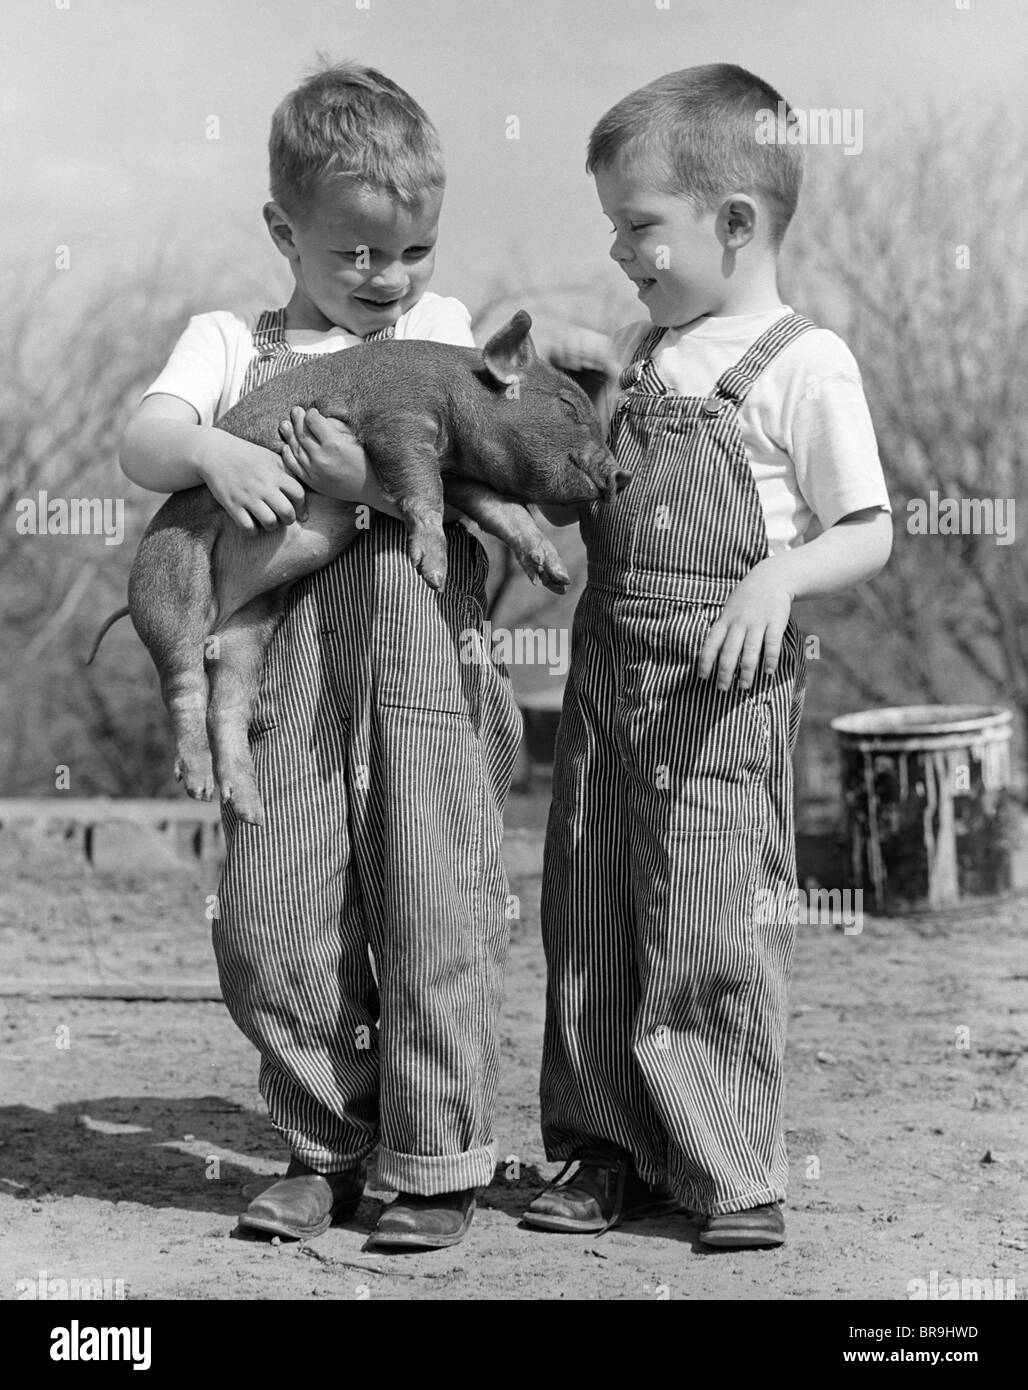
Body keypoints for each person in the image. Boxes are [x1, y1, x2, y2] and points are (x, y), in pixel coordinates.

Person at [120, 60, 524, 1251]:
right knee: (269, 913)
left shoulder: (443, 334)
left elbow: (492, 467)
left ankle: (439, 1159)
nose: (384, 281)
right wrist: (212, 454)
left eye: (410, 252)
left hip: (419, 669)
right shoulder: (227, 342)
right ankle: (321, 1147)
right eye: (352, 254)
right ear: (281, 229)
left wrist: (372, 482)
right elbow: (145, 443)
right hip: (280, 679)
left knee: (434, 907)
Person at [522, 63, 893, 1248]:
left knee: (706, 920)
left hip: (716, 697)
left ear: (733, 223)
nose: (622, 251)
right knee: (587, 913)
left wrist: (777, 577)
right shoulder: (639, 351)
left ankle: (728, 1163)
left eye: (640, 226)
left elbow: (866, 528)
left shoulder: (799, 360)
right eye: (613, 227)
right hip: (604, 678)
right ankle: (596, 1150)